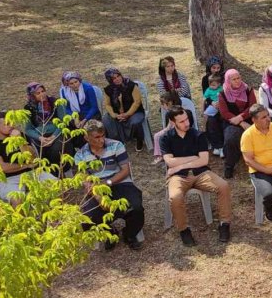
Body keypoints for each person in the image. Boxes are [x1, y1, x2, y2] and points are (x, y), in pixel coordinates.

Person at [160, 106, 232, 246]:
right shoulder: (165, 138)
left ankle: (224, 224)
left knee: (223, 186)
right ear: (173, 122)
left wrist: (179, 165)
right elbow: (169, 161)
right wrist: (193, 158)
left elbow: (204, 160)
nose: (186, 123)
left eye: (186, 119)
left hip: (200, 173)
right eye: (181, 121)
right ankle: (184, 230)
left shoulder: (198, 135)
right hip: (178, 177)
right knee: (175, 197)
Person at [74, 120, 145, 250]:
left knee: (136, 207)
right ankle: (109, 233)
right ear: (86, 137)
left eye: (103, 136)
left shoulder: (116, 145)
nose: (101, 140)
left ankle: (129, 234)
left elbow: (125, 170)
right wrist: (97, 195)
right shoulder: (80, 155)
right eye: (97, 137)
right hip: (96, 189)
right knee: (87, 218)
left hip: (119, 182)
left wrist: (108, 182)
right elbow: (85, 181)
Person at [0, 112, 56, 206]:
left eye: (12, 122)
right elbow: (3, 167)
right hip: (7, 179)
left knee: (57, 185)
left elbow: (33, 159)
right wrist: (26, 166)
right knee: (17, 199)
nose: (12, 125)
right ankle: (20, 220)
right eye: (7, 124)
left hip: (31, 173)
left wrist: (20, 142)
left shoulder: (20, 135)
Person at [218, 69, 256, 179]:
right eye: (233, 79)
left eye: (238, 78)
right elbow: (224, 113)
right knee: (231, 138)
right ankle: (229, 165)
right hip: (231, 121)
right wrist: (240, 122)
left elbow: (252, 106)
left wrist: (241, 117)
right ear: (228, 81)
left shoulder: (248, 89)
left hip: (249, 118)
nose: (237, 81)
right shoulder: (222, 93)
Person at [23, 82, 72, 167]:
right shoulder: (28, 108)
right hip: (39, 135)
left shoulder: (56, 103)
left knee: (57, 149)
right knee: (38, 152)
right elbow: (28, 129)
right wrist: (41, 138)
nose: (42, 94)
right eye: (38, 93)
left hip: (57, 132)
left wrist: (53, 137)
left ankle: (62, 171)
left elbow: (63, 122)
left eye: (43, 91)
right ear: (32, 96)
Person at [102, 68, 147, 152]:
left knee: (136, 121)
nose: (117, 79)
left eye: (118, 76)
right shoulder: (108, 89)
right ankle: (117, 142)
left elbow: (137, 102)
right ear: (110, 80)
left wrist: (128, 114)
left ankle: (139, 140)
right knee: (106, 120)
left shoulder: (131, 85)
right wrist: (113, 114)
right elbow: (107, 105)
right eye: (114, 78)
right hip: (117, 113)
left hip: (134, 112)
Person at [153, 91, 194, 165]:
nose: (162, 106)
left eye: (163, 104)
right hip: (174, 131)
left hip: (177, 132)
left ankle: (161, 155)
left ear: (169, 103)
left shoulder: (173, 113)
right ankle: (161, 155)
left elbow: (169, 127)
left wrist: (165, 131)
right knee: (158, 135)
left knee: (158, 136)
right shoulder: (175, 111)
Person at [202, 73, 224, 157]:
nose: (211, 86)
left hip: (221, 107)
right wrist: (203, 110)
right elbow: (204, 99)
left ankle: (221, 147)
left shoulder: (221, 89)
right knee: (208, 119)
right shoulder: (208, 90)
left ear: (219, 84)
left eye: (214, 85)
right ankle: (215, 145)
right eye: (210, 85)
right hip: (212, 107)